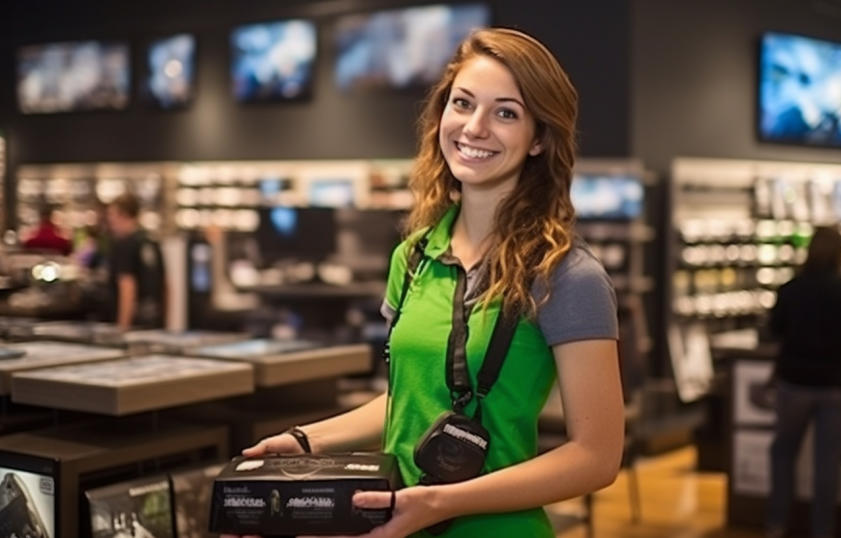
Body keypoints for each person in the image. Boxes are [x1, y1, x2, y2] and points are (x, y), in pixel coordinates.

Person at [223, 27, 624, 538]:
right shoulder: (413, 257)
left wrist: (439, 502)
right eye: (463, 103)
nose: (475, 127)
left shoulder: (568, 275)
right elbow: (407, 398)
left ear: (539, 139)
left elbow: (596, 457)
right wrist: (307, 442)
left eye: (506, 112)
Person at [766, 226, 841, 538]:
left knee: (783, 454)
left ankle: (776, 525)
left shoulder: (790, 289)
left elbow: (775, 333)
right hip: (837, 385)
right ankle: (822, 530)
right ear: (840, 254)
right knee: (827, 462)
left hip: (794, 381)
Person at [106, 192, 165, 330]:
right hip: (153, 321)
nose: (110, 222)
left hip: (134, 325)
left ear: (124, 215)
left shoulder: (124, 245)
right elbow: (166, 285)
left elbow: (127, 287)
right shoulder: (152, 242)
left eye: (112, 216)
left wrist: (123, 328)